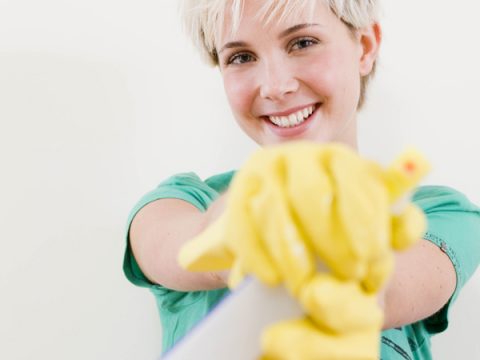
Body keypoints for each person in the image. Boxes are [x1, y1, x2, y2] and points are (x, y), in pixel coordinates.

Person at [123, 0, 480, 358]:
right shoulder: (182, 201)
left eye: (303, 42)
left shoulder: (441, 214)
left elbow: (387, 291)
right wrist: (236, 231)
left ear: (366, 47)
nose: (275, 86)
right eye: (241, 57)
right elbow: (175, 246)